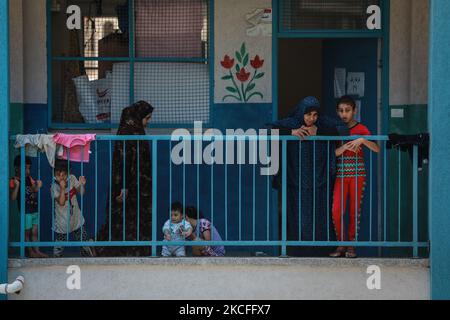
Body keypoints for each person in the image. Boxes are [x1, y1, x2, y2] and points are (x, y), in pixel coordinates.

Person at [269, 96, 348, 257]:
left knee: (320, 217)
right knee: (297, 217)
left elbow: (343, 129)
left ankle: (321, 251)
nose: (311, 119)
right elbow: (266, 129)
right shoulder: (291, 123)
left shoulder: (323, 124)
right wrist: (292, 132)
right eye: (308, 115)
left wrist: (319, 131)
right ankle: (297, 251)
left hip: (319, 181)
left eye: (315, 115)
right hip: (295, 181)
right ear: (300, 113)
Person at [97, 101, 154, 257]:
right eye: (146, 118)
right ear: (138, 117)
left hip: (136, 186)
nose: (147, 122)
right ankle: (127, 249)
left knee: (133, 217)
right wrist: (124, 185)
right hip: (129, 186)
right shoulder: (129, 133)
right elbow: (124, 160)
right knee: (127, 217)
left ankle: (135, 248)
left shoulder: (134, 131)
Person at [330, 96, 380, 258]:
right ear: (338, 112)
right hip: (341, 174)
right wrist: (344, 146)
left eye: (347, 110)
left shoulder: (362, 129)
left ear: (354, 111)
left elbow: (377, 149)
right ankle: (342, 243)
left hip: (358, 175)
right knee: (337, 210)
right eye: (341, 111)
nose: (344, 114)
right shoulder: (335, 129)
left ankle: (351, 245)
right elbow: (332, 154)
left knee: (354, 211)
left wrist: (362, 140)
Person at [51, 159, 95, 257]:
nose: (61, 177)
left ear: (68, 173)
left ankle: (88, 256)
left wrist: (82, 185)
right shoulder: (54, 187)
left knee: (82, 240)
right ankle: (56, 262)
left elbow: (81, 192)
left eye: (64, 174)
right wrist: (62, 188)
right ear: (54, 174)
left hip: (75, 217)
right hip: (62, 220)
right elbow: (61, 202)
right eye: (58, 175)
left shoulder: (72, 179)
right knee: (59, 246)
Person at [10, 156, 47, 258]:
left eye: (29, 168)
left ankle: (37, 251)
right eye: (25, 168)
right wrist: (17, 186)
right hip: (25, 211)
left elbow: (33, 190)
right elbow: (13, 198)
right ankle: (30, 251)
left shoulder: (28, 178)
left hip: (34, 209)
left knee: (35, 232)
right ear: (17, 168)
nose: (27, 171)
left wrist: (38, 185)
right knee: (27, 232)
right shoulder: (14, 180)